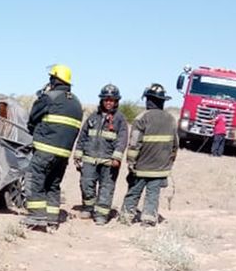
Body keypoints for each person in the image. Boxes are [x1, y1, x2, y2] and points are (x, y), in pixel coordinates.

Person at [23, 64, 83, 231]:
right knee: (53, 185)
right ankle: (52, 219)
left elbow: (33, 119)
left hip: (45, 150)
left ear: (54, 79)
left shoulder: (49, 97)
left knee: (34, 180)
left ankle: (36, 217)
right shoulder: (76, 103)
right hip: (63, 155)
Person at [121, 83, 179, 227]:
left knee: (134, 191)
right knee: (153, 194)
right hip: (160, 168)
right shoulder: (171, 119)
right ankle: (148, 219)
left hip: (141, 166)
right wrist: (169, 163)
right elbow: (175, 145)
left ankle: (126, 217)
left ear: (148, 100)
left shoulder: (141, 118)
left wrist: (131, 162)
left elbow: (134, 143)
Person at [73, 84, 128, 225]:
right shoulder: (93, 117)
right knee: (86, 184)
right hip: (89, 159)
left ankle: (101, 215)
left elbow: (122, 140)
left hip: (109, 162)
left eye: (112, 100)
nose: (108, 102)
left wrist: (117, 157)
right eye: (106, 100)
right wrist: (78, 154)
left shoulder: (120, 119)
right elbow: (82, 136)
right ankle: (88, 208)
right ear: (102, 100)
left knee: (106, 188)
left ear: (116, 101)